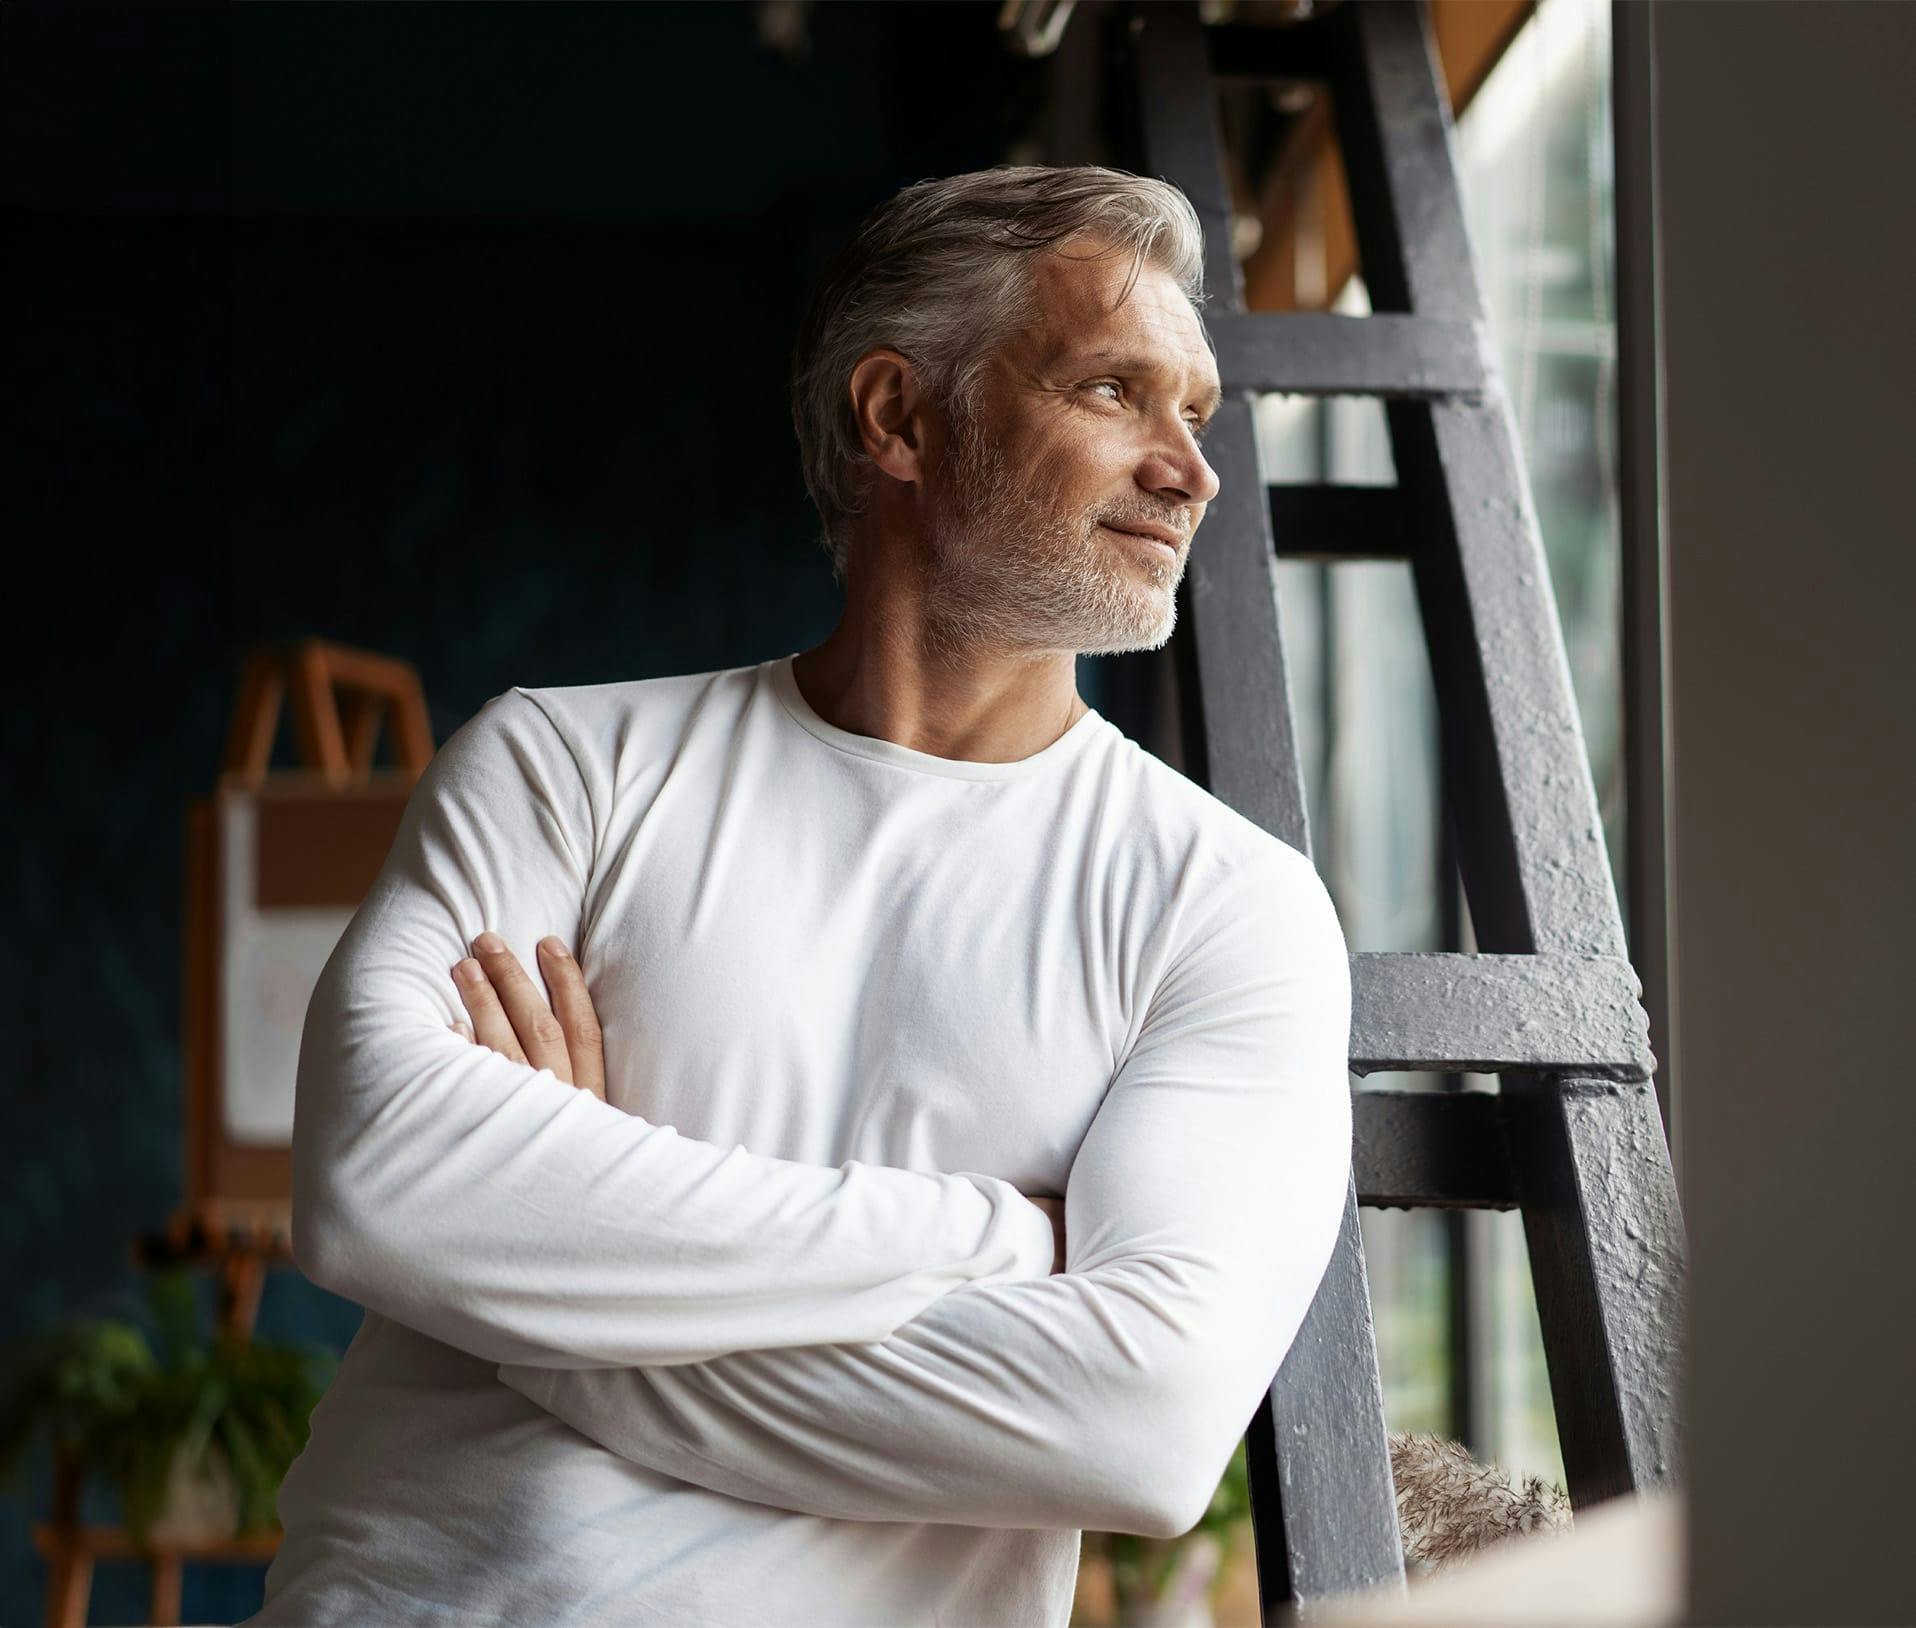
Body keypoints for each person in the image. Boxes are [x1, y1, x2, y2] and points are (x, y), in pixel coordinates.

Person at [249, 164, 1353, 1627]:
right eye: (1113, 391)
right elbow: (375, 1183)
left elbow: (1138, 1427)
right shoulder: (561, 764)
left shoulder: (1228, 906)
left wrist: (549, 1291)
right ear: (898, 417)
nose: (1189, 472)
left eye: (1196, 413)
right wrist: (990, 1237)